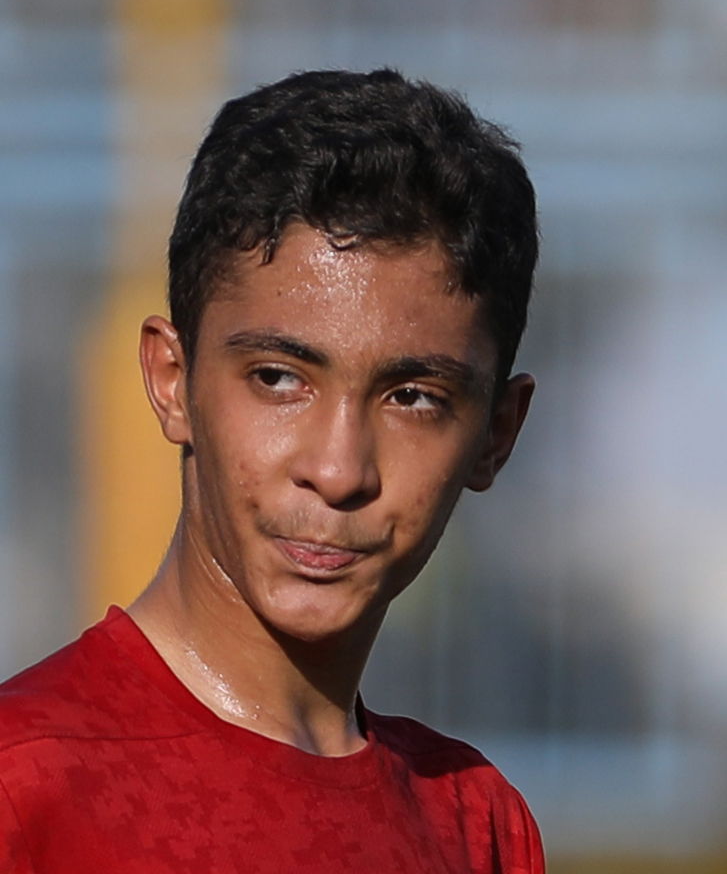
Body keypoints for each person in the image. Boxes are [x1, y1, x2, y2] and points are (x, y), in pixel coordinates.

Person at [0, 68, 543, 872]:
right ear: (172, 381)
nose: (337, 469)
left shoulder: (476, 823)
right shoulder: (25, 788)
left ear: (496, 434)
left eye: (412, 397)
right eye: (278, 379)